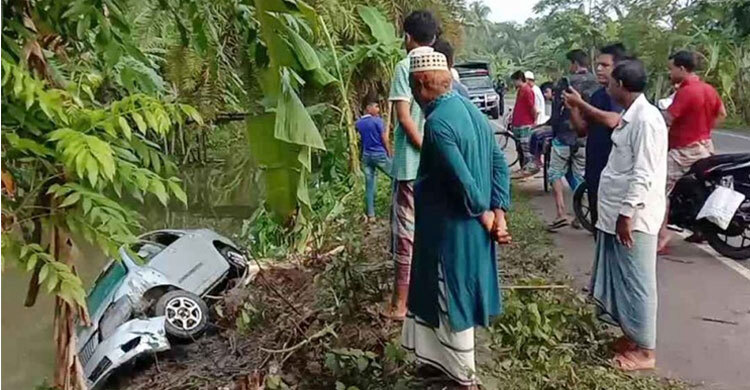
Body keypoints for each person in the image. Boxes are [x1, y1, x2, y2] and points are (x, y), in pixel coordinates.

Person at [401, 50, 511, 389]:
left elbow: (463, 181)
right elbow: (499, 165)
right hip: (471, 227)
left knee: (450, 299)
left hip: (449, 231)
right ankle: (438, 365)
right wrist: (500, 214)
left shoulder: (437, 123)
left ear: (420, 85)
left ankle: (464, 378)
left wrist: (485, 215)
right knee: (447, 295)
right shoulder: (471, 112)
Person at [590, 59, 667, 371]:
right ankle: (632, 337)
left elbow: (643, 174)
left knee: (638, 281)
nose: (607, 85)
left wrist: (626, 215)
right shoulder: (631, 116)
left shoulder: (647, 121)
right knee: (622, 278)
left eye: (610, 81)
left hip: (634, 218)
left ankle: (646, 350)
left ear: (621, 85)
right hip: (617, 213)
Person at [383, 10, 439, 320]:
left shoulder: (406, 66)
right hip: (436, 168)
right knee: (431, 230)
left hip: (410, 166)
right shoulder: (444, 66)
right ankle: (427, 297)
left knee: (406, 235)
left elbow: (404, 118)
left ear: (408, 37)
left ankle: (399, 305)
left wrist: (426, 149)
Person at [657, 50, 726, 252]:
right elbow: (722, 113)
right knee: (701, 188)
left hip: (684, 150)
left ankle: (662, 235)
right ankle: (701, 229)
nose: (670, 73)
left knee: (660, 190)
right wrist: (704, 128)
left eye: (671, 69)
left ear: (682, 68)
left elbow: (667, 119)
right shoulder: (708, 89)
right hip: (705, 145)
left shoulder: (686, 92)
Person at [564, 43, 628, 226]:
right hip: (595, 171)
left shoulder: (621, 97)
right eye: (598, 65)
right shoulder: (598, 95)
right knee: (598, 226)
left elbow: (613, 121)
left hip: (615, 176)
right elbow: (582, 130)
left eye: (605, 65)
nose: (599, 69)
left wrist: (581, 104)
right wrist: (574, 109)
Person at [547, 49, 599, 230]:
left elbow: (556, 111)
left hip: (564, 136)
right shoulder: (597, 82)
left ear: (575, 64)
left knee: (555, 173)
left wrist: (552, 128)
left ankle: (561, 213)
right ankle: (581, 215)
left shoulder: (566, 82)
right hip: (585, 137)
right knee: (579, 176)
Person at [355, 101, 393, 220]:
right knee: (396, 176)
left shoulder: (359, 123)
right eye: (376, 107)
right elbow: (384, 139)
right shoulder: (377, 121)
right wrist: (389, 153)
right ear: (368, 108)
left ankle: (371, 214)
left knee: (369, 185)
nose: (378, 109)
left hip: (366, 156)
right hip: (379, 154)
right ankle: (395, 204)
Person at [525, 81, 555, 176]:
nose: (545, 95)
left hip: (559, 129)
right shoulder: (553, 102)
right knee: (534, 131)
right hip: (553, 126)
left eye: (546, 92)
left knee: (537, 135)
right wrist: (541, 125)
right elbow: (552, 119)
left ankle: (537, 160)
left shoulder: (558, 101)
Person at [510, 70, 537, 173]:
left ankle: (529, 168)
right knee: (520, 147)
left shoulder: (527, 91)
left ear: (519, 80)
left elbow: (532, 107)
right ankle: (524, 168)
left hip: (525, 123)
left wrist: (534, 120)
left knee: (526, 148)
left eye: (514, 81)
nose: (513, 83)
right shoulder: (520, 90)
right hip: (518, 123)